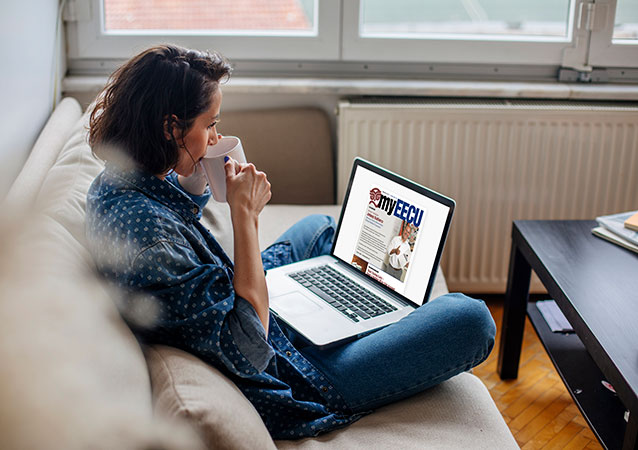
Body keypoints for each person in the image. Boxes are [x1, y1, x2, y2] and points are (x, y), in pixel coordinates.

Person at [85, 44, 496, 440]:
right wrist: (245, 217)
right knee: (471, 318)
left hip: (253, 311)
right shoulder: (151, 242)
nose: (216, 137)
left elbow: (181, 226)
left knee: (319, 227)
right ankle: (371, 325)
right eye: (210, 125)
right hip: (298, 373)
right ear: (171, 127)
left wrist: (196, 172)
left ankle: (361, 309)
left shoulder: (122, 182)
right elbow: (249, 348)